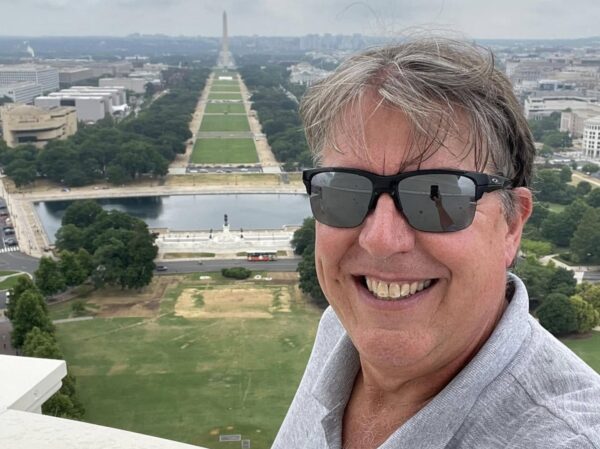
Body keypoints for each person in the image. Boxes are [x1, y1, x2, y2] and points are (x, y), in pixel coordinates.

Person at [272, 37, 600, 449]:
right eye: (345, 191)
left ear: (512, 225)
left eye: (437, 195)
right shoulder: (342, 328)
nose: (380, 241)